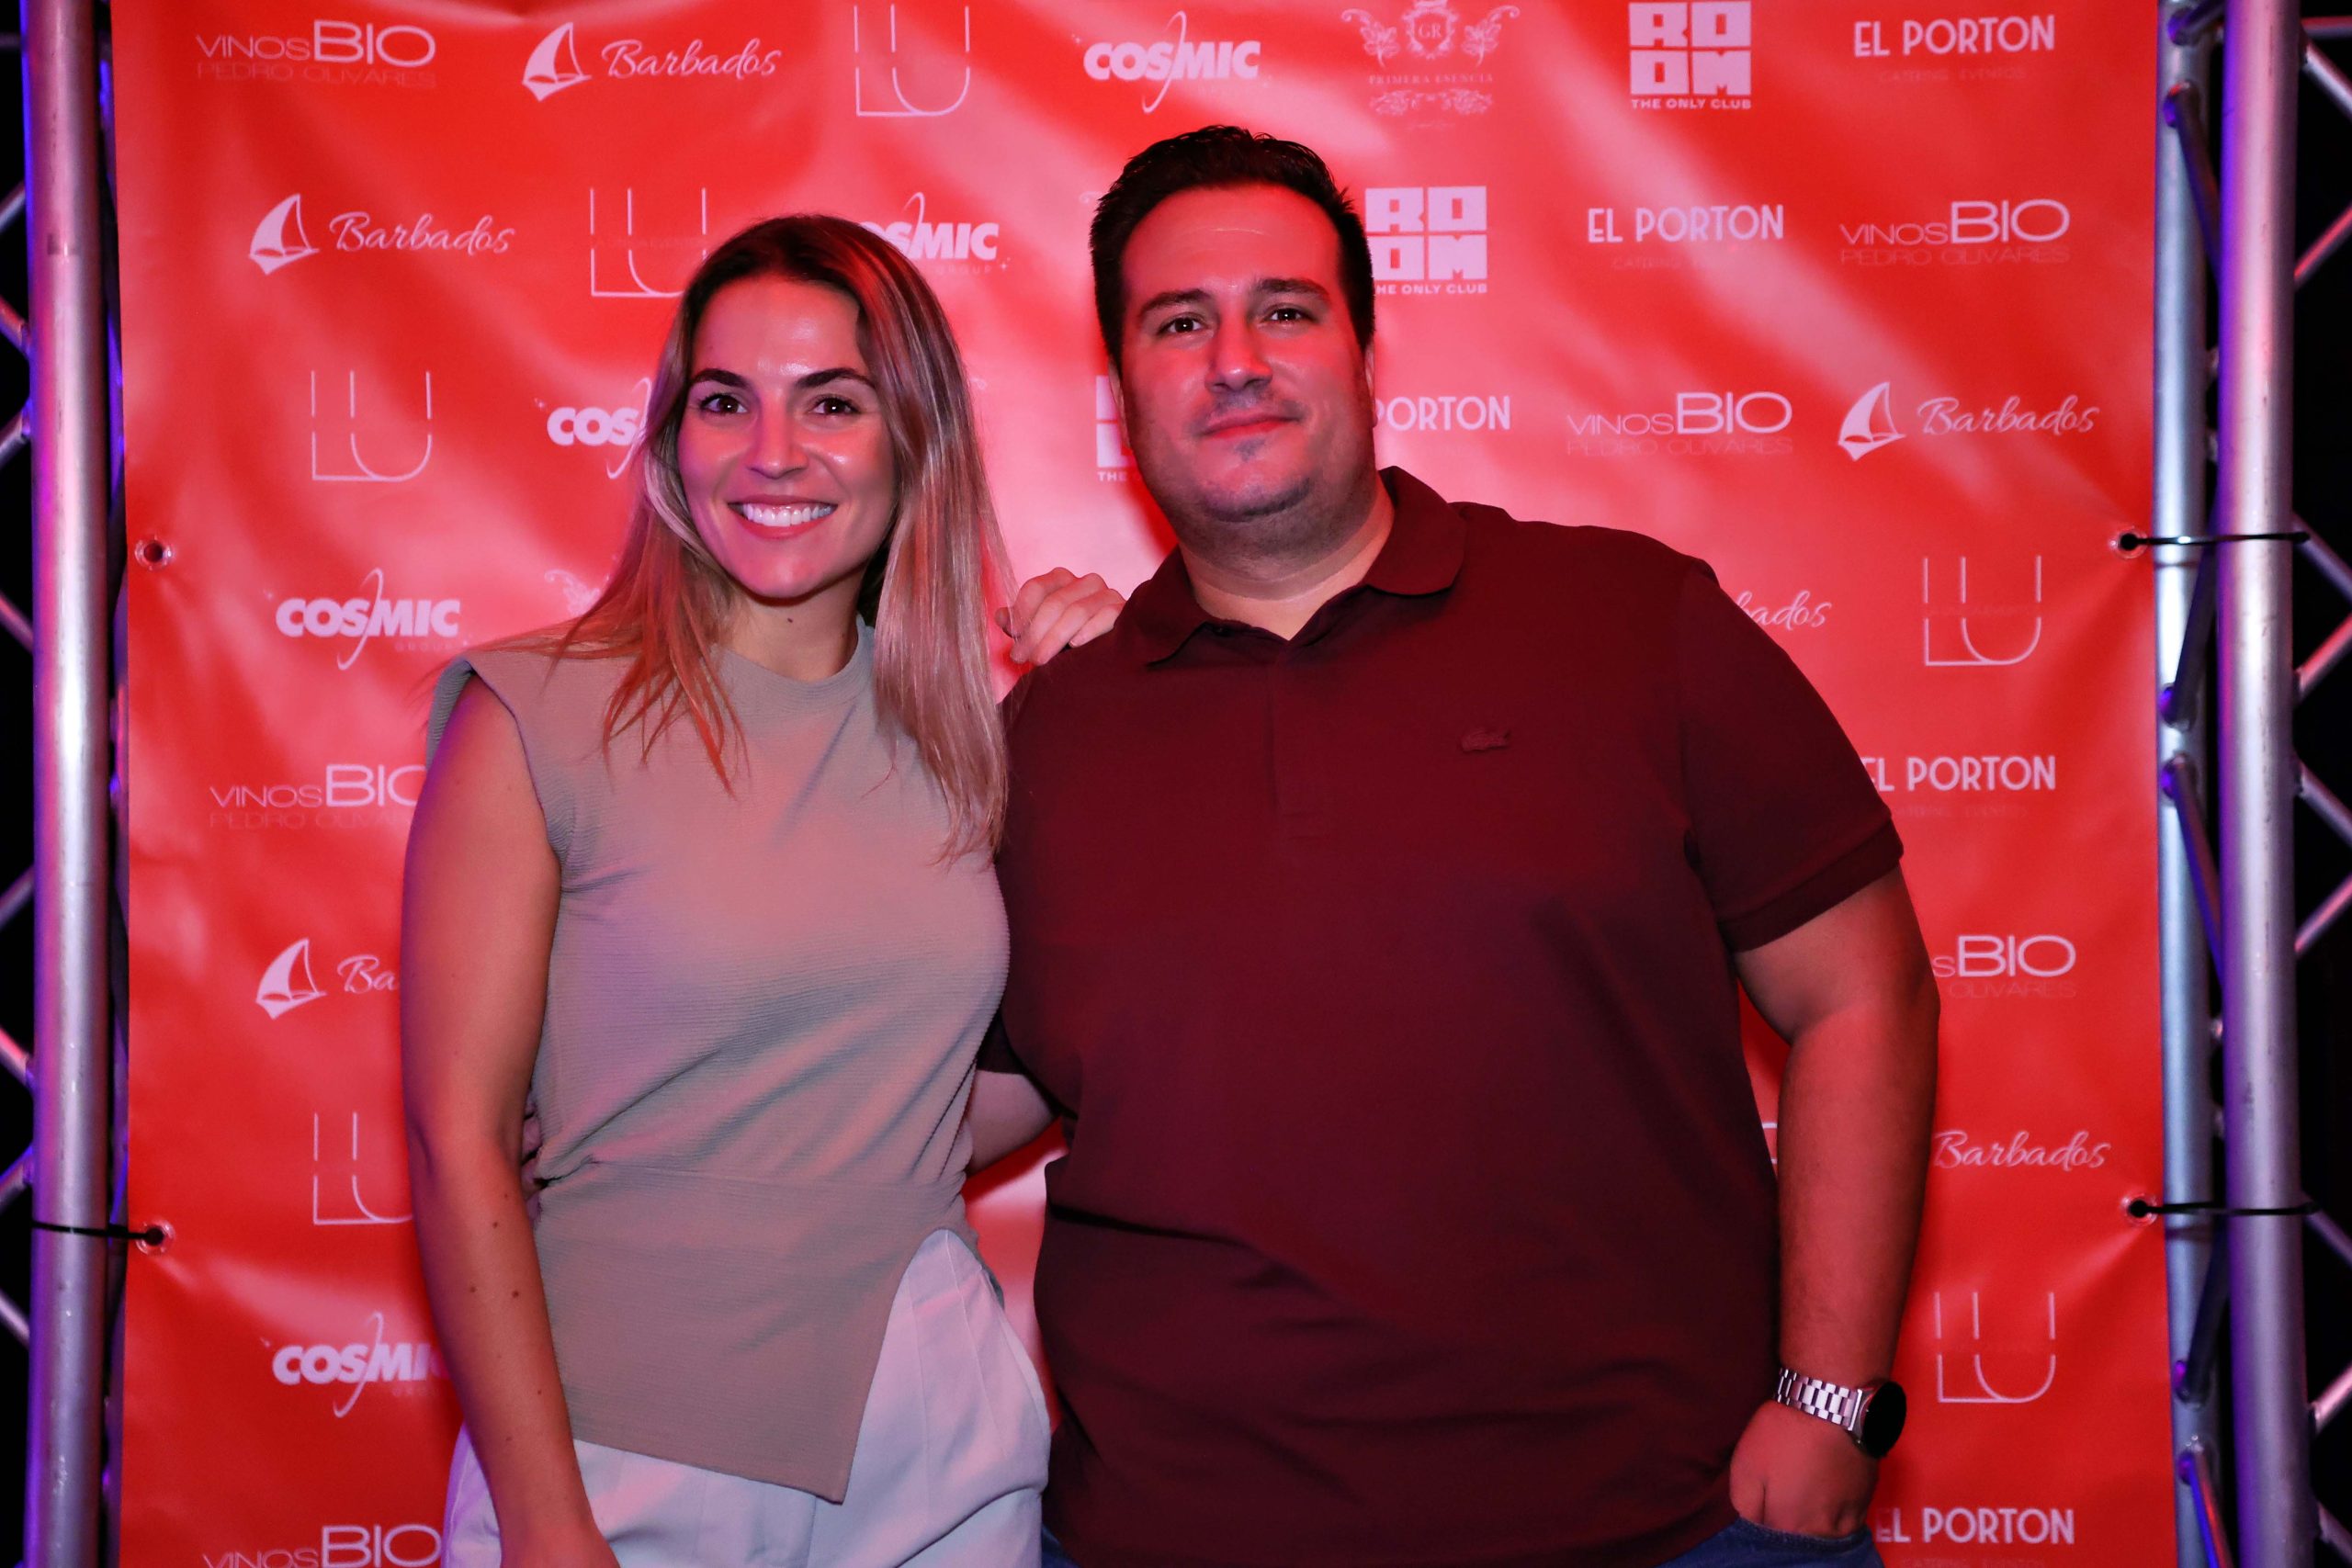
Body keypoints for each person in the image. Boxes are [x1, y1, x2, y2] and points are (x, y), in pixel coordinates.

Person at [968, 128, 1940, 1568]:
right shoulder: (1050, 737)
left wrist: (1829, 1405)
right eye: (1179, 323)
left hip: (1667, 1535)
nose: (1235, 360)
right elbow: (953, 1104)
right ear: (1122, 392)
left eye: (1285, 309)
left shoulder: (1629, 623)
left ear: (1365, 351)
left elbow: (1864, 991)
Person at [401, 214, 1116, 1568]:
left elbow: (922, 1106)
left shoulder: (970, 741)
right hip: (627, 1454)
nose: (773, 452)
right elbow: (458, 1142)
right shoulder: (536, 714)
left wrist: (1131, 698)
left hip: (940, 1449)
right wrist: (545, 1522)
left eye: (833, 402)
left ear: (915, 438)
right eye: (726, 401)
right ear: (673, 437)